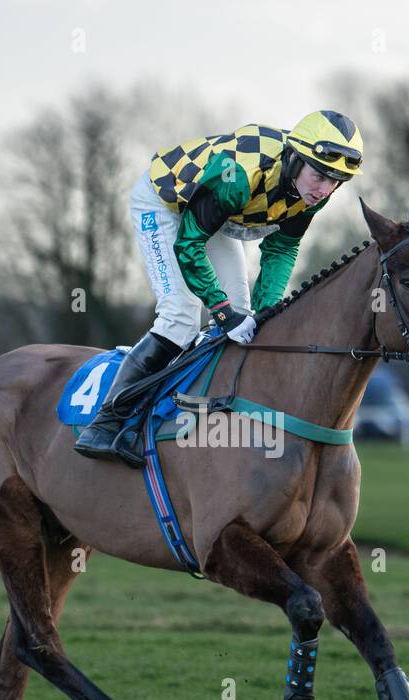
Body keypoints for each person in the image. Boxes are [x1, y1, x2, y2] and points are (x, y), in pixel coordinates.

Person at [73, 109, 364, 467]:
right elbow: (189, 244)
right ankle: (106, 423)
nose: (324, 189)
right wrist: (222, 311)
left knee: (245, 316)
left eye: (336, 181)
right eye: (319, 176)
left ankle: (211, 417)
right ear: (293, 158)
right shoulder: (240, 174)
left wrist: (267, 309)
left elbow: (281, 248)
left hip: (220, 215)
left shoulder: (312, 191)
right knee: (181, 316)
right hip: (164, 203)